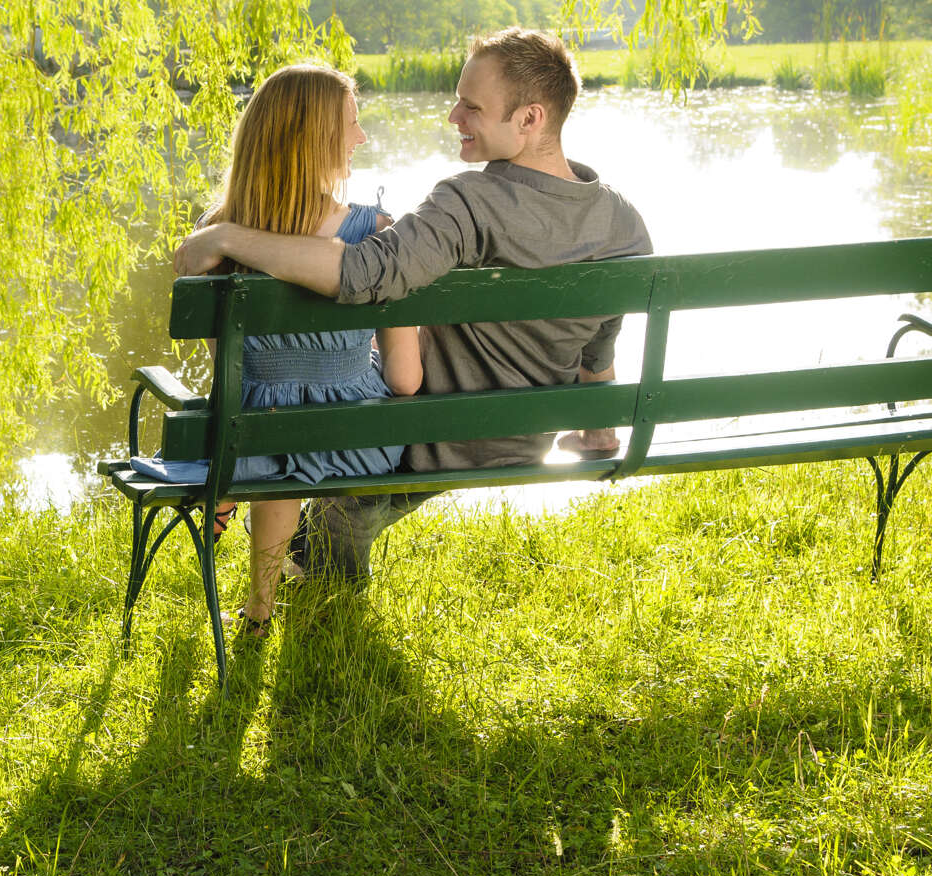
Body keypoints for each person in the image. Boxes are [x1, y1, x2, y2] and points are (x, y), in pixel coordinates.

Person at [174, 28, 654, 580]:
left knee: (324, 402)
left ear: (529, 119)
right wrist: (598, 425)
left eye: (471, 107)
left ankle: (318, 594)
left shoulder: (467, 202)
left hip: (436, 436)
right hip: (527, 437)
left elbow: (364, 272)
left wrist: (230, 237)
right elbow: (599, 341)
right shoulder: (623, 221)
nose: (453, 116)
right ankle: (298, 571)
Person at [138, 63, 422, 634]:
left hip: (244, 446)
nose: (362, 137)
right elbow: (406, 381)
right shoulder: (377, 231)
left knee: (272, 427)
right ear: (313, 137)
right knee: (311, 422)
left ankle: (259, 608)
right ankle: (322, 563)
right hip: (357, 447)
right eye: (352, 122)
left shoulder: (214, 237)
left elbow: (226, 363)